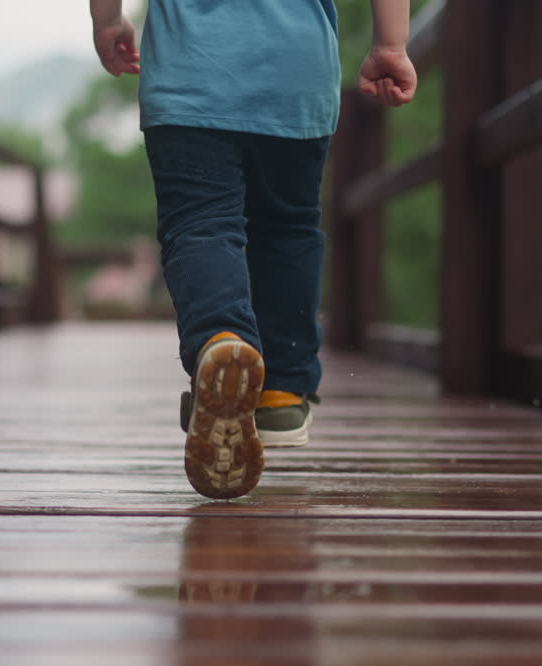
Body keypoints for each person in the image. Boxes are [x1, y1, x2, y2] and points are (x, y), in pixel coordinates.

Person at [90, 0, 417, 499]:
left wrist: (107, 18)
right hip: (296, 74)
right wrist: (391, 44)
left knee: (200, 223)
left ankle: (222, 339)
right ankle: (280, 392)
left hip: (189, 76)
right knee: (288, 229)